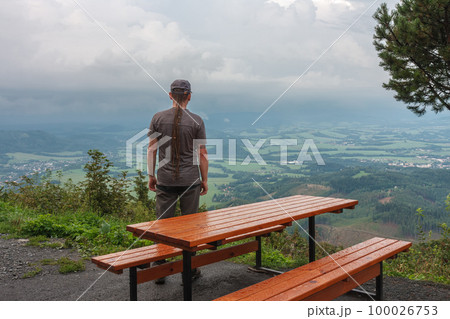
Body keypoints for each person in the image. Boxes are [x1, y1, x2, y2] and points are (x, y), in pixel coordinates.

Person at [147, 79, 208, 284]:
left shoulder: (157, 118)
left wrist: (151, 175)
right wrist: (204, 179)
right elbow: (202, 154)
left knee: (163, 226)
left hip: (165, 180)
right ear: (189, 96)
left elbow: (152, 149)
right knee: (189, 228)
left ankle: (161, 271)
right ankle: (189, 271)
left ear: (170, 95)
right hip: (191, 180)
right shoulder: (197, 121)